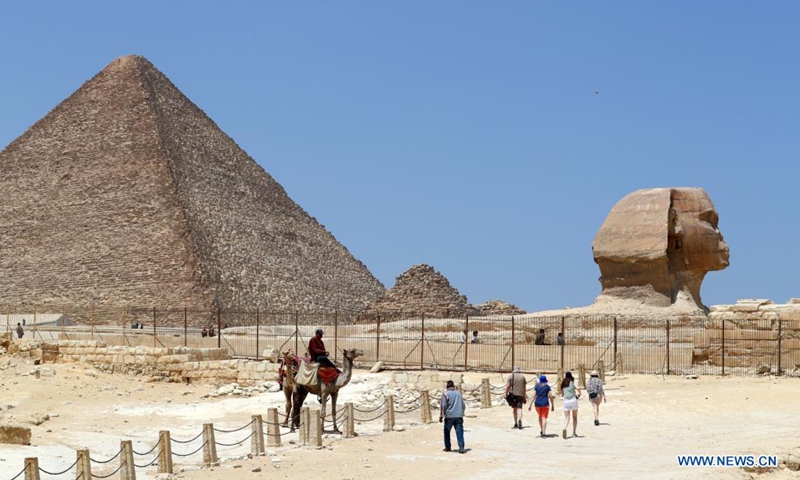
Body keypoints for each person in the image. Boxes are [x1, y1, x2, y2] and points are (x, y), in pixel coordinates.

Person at [439, 380, 466, 454]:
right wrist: (461, 412)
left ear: (447, 386)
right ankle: (461, 448)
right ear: (453, 386)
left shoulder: (445, 394)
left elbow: (443, 406)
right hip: (458, 415)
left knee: (447, 432)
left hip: (449, 416)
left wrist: (441, 416)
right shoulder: (458, 393)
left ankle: (448, 447)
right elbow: (463, 405)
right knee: (459, 431)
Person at [561, 371, 582, 439]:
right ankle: (574, 432)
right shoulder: (573, 382)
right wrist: (579, 393)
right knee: (575, 417)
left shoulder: (563, 383)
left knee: (567, 418)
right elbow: (578, 388)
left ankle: (565, 428)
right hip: (573, 399)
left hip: (566, 400)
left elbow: (562, 394)